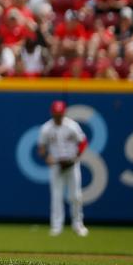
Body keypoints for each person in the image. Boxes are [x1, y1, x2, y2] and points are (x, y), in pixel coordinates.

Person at [37, 100, 88, 237]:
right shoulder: (46, 128)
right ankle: (56, 226)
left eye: (60, 114)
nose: (58, 116)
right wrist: (47, 158)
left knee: (75, 196)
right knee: (56, 196)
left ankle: (78, 224)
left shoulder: (72, 126)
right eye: (56, 114)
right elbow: (41, 148)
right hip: (57, 166)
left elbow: (83, 142)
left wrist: (76, 156)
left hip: (72, 164)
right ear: (52, 113)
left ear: (64, 113)